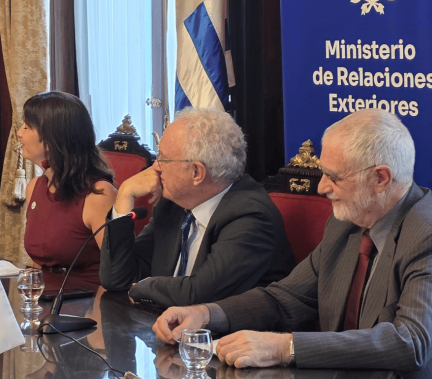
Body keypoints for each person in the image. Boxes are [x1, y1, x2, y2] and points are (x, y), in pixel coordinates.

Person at [152, 109, 432, 379]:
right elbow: (285, 298)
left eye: (334, 177)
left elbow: (409, 343)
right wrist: (207, 313)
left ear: (380, 178)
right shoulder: (344, 224)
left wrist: (283, 347)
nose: (321, 188)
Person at [100, 107, 295, 308]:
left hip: (228, 336)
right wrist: (124, 194)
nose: (155, 167)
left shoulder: (251, 216)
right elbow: (116, 279)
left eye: (163, 159)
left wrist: (139, 286)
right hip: (169, 329)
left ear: (196, 172)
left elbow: (197, 295)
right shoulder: (173, 204)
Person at [18, 91, 117, 287]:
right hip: (46, 300)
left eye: (27, 127)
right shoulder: (34, 188)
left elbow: (118, 273)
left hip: (89, 304)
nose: (19, 132)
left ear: (52, 139)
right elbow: (39, 263)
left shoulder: (99, 194)